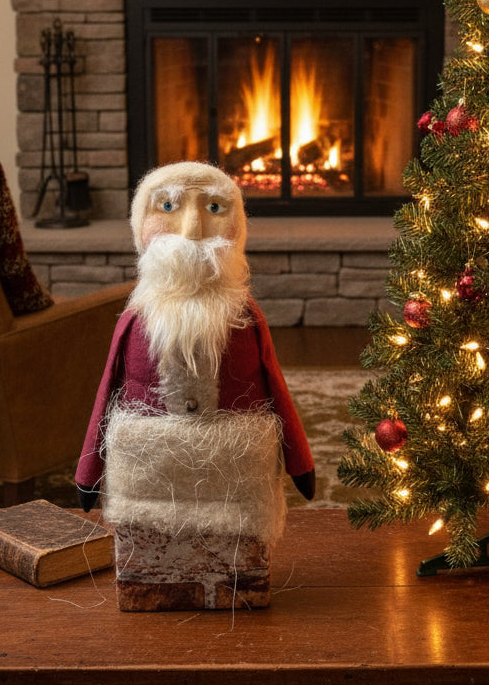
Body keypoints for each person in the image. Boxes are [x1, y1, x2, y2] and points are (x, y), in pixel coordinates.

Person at [75, 161, 315, 509]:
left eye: (214, 208)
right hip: (148, 479)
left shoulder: (245, 317)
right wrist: (89, 468)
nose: (192, 229)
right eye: (168, 206)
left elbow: (274, 383)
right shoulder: (135, 319)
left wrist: (300, 461)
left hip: (237, 480)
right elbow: (108, 387)